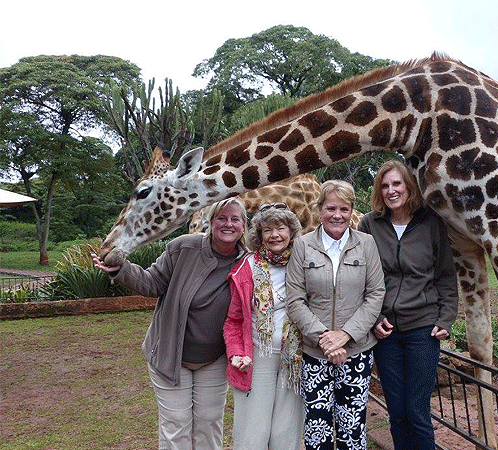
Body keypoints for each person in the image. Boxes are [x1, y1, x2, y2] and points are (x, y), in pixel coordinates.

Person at [92, 197, 248, 450]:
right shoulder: (184, 248)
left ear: (243, 225)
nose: (228, 224)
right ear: (210, 222)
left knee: (209, 422)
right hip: (170, 355)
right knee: (177, 423)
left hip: (214, 358)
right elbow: (152, 283)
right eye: (222, 218)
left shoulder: (248, 263)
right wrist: (121, 269)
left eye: (235, 219)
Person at [357, 160, 458, 450]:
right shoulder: (369, 224)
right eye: (385, 185)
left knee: (417, 412)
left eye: (397, 184)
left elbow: (445, 275)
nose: (391, 191)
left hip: (422, 330)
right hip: (386, 333)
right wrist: (374, 317)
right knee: (397, 414)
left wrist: (446, 318)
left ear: (409, 186)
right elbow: (363, 277)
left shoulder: (430, 222)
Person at [285, 179, 385, 450]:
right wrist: (325, 339)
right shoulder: (303, 246)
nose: (337, 215)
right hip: (315, 353)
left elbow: (375, 294)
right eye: (331, 208)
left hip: (356, 351)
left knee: (352, 428)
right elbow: (295, 299)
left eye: (344, 209)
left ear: (352, 210)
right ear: (320, 211)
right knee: (317, 429)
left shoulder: (366, 244)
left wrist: (345, 335)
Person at [223, 202, 304, 450]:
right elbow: (234, 320)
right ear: (259, 235)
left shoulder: (303, 263)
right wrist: (237, 352)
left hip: (295, 359)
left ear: (291, 232)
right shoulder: (247, 267)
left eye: (280, 228)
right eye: (267, 230)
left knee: (287, 430)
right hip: (257, 356)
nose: (274, 235)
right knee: (252, 431)